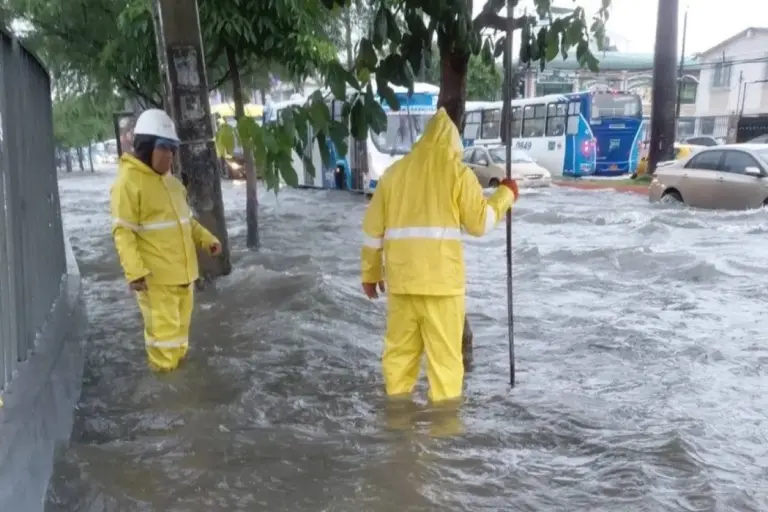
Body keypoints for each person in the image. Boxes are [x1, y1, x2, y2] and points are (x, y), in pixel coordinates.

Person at [360, 107, 520, 405]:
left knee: (398, 361)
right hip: (443, 289)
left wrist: (370, 274)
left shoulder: (393, 174)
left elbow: (372, 232)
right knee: (445, 367)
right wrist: (505, 196)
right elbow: (480, 223)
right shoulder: (458, 174)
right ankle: (443, 429)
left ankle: (396, 422)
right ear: (454, 143)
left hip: (402, 286)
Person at [110, 108, 222, 372]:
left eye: (172, 149)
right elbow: (123, 232)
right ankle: (165, 387)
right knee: (164, 345)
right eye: (164, 147)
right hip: (156, 281)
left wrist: (207, 240)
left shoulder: (172, 184)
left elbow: (186, 222)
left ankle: (179, 386)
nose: (170, 154)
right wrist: (134, 272)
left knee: (180, 341)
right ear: (146, 146)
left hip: (184, 277)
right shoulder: (128, 183)